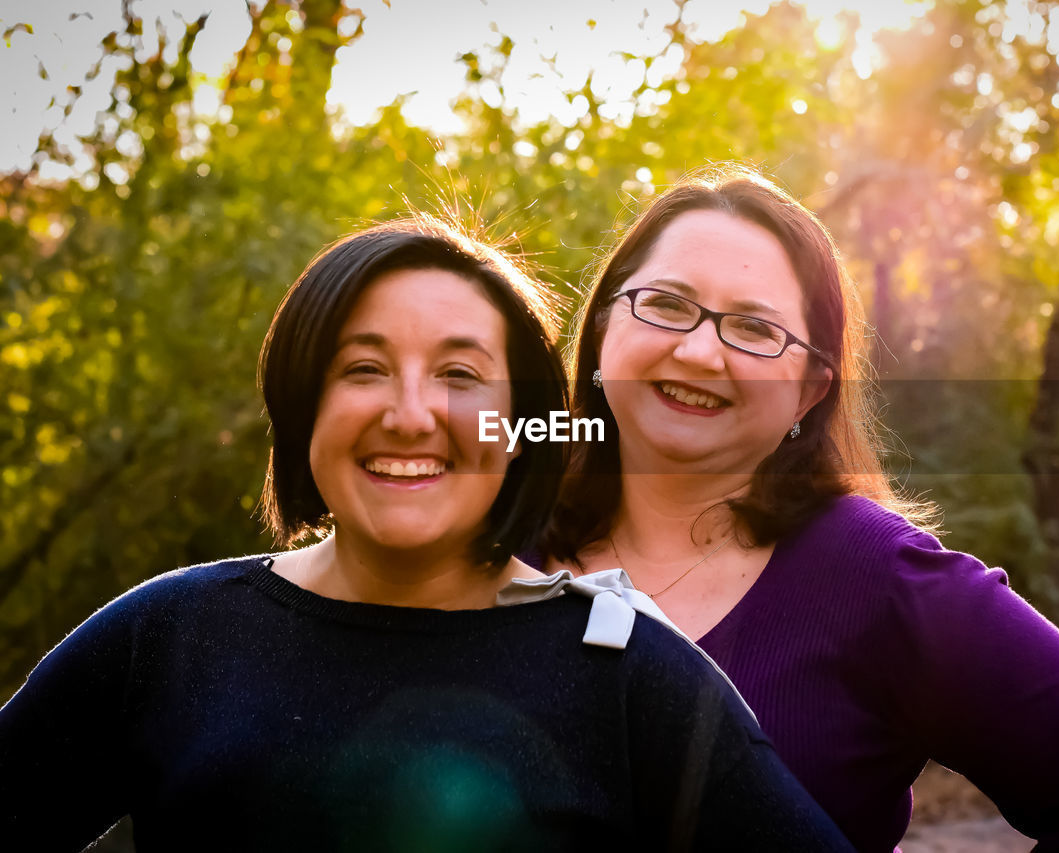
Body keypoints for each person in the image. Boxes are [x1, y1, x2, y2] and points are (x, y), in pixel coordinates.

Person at [0, 216, 855, 852]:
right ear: (303, 408)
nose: (410, 416)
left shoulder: (633, 672)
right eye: (363, 368)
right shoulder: (169, 637)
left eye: (459, 375)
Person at [543, 165, 1059, 851]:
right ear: (605, 323)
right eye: (667, 304)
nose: (699, 351)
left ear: (812, 388)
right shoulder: (491, 537)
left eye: (754, 328)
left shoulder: (877, 577)